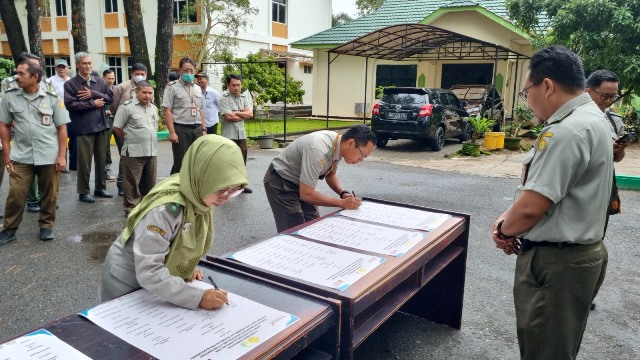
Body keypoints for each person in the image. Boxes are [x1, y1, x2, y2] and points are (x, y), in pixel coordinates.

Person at [491, 45, 612, 360]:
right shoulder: (594, 119)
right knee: (558, 346)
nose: (527, 101)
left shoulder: (567, 131)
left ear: (546, 85)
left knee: (545, 351)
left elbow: (532, 207)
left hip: (557, 265)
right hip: (580, 256)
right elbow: (541, 191)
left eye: (525, 91)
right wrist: (509, 218)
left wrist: (504, 230)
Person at [100, 135, 248, 309]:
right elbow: (149, 271)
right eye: (221, 190)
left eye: (234, 190)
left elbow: (182, 239)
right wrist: (198, 297)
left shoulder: (199, 191)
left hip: (155, 286)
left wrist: (184, 267)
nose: (225, 198)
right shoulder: (166, 210)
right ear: (202, 177)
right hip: (127, 284)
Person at [0, 61, 70, 245]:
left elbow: (62, 128)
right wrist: (7, 154)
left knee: (50, 193)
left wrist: (62, 156)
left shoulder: (52, 98)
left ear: (35, 77)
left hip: (49, 154)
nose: (17, 77)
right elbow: (4, 125)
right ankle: (9, 229)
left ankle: (46, 226)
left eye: (21, 74)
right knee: (16, 193)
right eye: (17, 73)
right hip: (21, 155)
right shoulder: (10, 97)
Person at [263, 124, 375, 233]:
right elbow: (306, 194)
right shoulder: (318, 149)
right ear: (351, 143)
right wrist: (342, 203)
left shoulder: (337, 145)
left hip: (301, 183)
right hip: (281, 181)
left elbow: (330, 174)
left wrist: (343, 193)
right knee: (293, 228)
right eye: (363, 155)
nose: (361, 160)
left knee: (314, 224)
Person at [1, 52, 54, 213]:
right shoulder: (9, 83)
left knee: (45, 167)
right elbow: (7, 109)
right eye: (33, 64)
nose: (36, 67)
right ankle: (32, 199)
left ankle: (44, 198)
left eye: (38, 65)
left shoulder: (45, 82)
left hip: (44, 131)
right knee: (27, 165)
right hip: (22, 129)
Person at [64, 52, 114, 203]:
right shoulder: (71, 84)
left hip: (101, 126)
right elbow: (70, 105)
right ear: (78, 65)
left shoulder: (99, 81)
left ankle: (100, 188)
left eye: (90, 63)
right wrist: (93, 103)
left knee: (101, 160)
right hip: (83, 128)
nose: (88, 66)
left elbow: (111, 97)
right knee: (84, 162)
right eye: (84, 63)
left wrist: (93, 93)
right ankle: (83, 191)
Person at [112, 81, 158, 217]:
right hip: (133, 152)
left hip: (151, 151)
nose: (148, 95)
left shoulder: (153, 108)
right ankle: (131, 209)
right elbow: (117, 127)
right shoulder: (127, 107)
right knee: (132, 183)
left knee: (149, 182)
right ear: (136, 92)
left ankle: (146, 207)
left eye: (150, 93)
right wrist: (130, 139)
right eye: (144, 92)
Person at [110, 63, 149, 196]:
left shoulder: (148, 88)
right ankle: (121, 184)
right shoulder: (122, 87)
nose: (140, 76)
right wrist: (120, 124)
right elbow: (114, 107)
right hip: (124, 129)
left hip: (141, 129)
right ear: (132, 73)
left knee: (141, 157)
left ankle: (138, 184)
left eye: (142, 74)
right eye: (137, 73)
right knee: (125, 156)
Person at [162, 57, 205, 175]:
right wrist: (172, 132)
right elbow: (167, 110)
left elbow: (201, 110)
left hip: (197, 128)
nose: (189, 73)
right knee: (180, 161)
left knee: (196, 160)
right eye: (186, 70)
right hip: (181, 129)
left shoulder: (197, 88)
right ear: (180, 70)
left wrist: (204, 129)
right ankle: (177, 187)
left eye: (191, 70)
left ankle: (192, 187)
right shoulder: (172, 87)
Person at [219, 74, 253, 193]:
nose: (236, 88)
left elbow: (250, 114)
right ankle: (225, 186)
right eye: (233, 85)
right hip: (229, 135)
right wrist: (242, 113)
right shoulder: (224, 98)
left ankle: (240, 185)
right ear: (228, 85)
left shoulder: (244, 98)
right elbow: (229, 117)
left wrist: (236, 112)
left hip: (241, 134)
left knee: (242, 160)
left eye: (238, 85)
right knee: (228, 161)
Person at [49, 58, 72, 174]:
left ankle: (73, 163)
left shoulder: (71, 81)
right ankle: (62, 163)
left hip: (71, 113)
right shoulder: (50, 81)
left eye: (64, 67)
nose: (62, 69)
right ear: (55, 68)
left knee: (72, 138)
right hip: (57, 113)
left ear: (68, 68)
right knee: (60, 137)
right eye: (59, 67)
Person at [102, 69, 117, 181]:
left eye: (113, 78)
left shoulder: (117, 89)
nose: (111, 81)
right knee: (105, 147)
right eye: (109, 78)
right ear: (103, 78)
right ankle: (105, 171)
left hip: (118, 120)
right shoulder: (100, 89)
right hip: (105, 120)